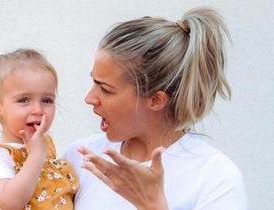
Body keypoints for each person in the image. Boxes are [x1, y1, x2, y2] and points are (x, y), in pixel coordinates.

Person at [63, 7, 248, 210]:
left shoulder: (215, 178)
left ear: (156, 100)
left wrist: (151, 204)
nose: (89, 98)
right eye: (94, 82)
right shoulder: (80, 157)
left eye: (106, 90)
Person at [0, 49, 79, 210]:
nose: (38, 109)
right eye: (24, 100)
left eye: (47, 100)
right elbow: (10, 203)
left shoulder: (45, 148)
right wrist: (36, 156)